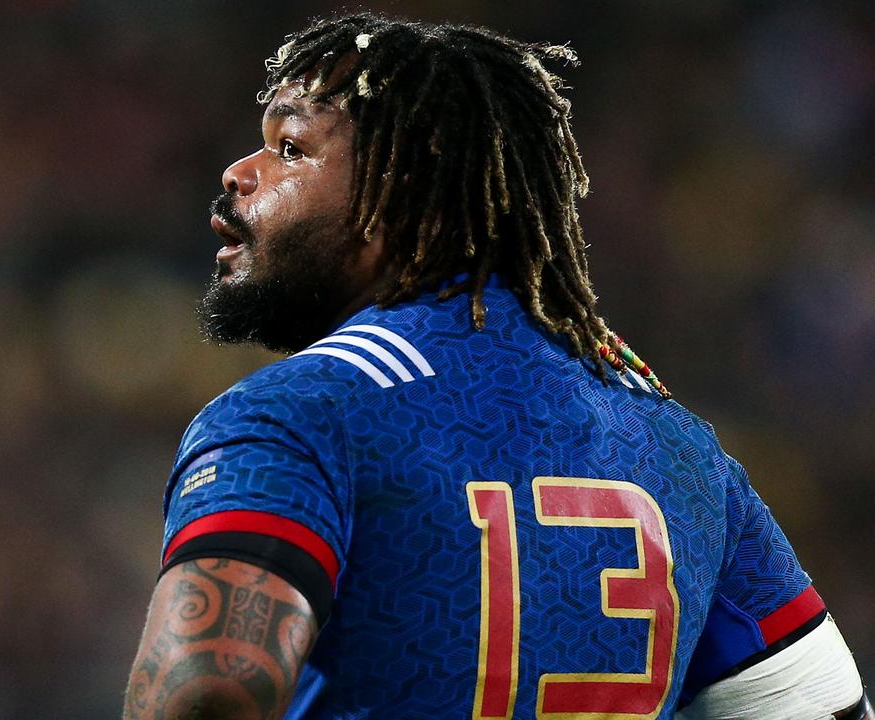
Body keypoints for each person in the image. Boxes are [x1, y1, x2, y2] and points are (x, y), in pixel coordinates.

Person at [122, 12, 871, 720]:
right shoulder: (681, 448)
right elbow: (825, 708)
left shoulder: (300, 413)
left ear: (402, 193)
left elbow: (203, 697)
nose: (239, 171)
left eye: (291, 148)